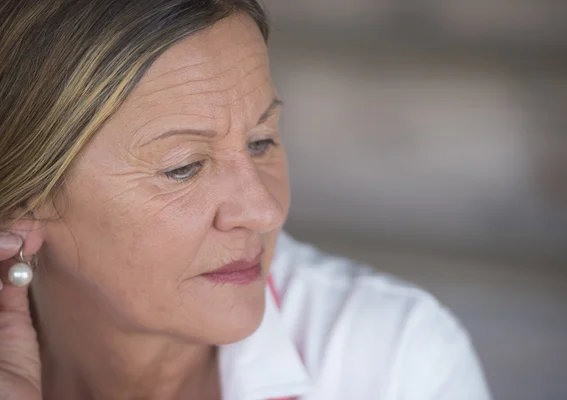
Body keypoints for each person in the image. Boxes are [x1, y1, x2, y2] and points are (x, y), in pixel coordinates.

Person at [0, 1, 492, 399]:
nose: (266, 211)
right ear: (24, 198)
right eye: (183, 167)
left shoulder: (392, 361)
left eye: (261, 142)